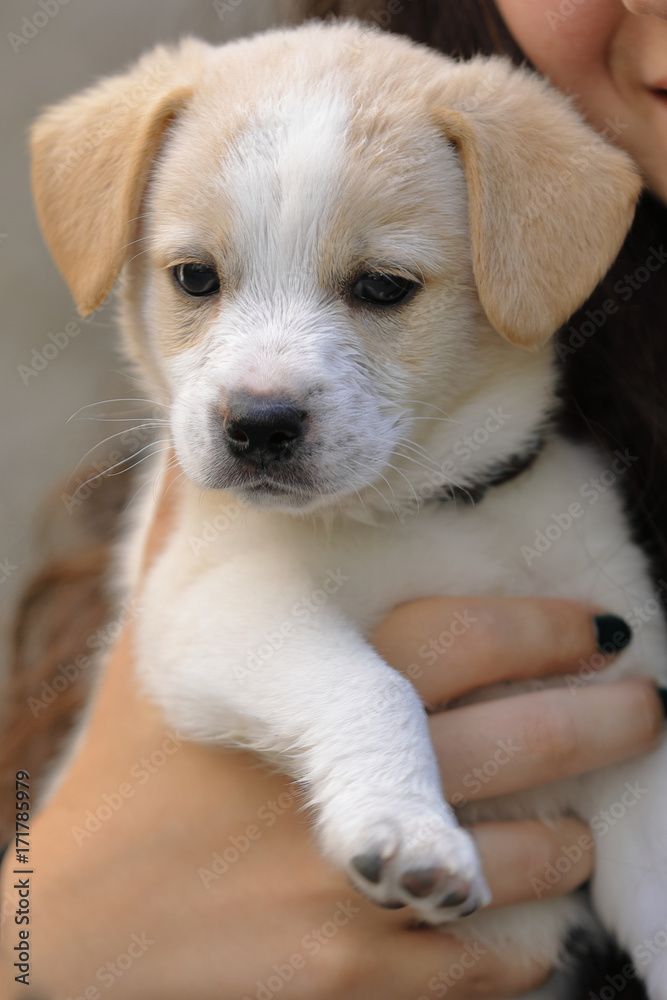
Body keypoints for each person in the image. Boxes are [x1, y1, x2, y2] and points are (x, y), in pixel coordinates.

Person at [2, 1, 666, 996]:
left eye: (382, 287)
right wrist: (36, 944)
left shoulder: (567, 497)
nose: (262, 391)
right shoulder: (209, 532)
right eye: (197, 276)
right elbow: (211, 637)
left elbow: (633, 795)